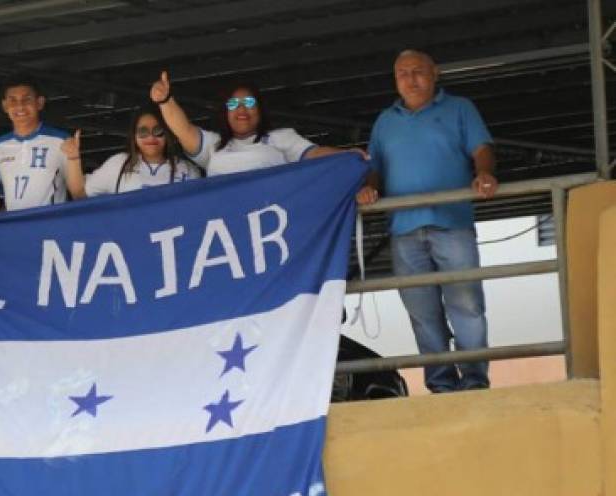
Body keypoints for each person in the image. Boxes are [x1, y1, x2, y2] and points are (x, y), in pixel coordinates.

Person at [356, 49, 498, 393]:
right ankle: (441, 386)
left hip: (452, 223)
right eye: (402, 73)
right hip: (404, 230)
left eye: (418, 71)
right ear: (395, 80)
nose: (411, 79)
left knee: (467, 305)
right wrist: (369, 188)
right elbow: (374, 166)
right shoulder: (385, 121)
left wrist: (484, 173)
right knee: (423, 313)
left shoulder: (459, 108)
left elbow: (482, 148)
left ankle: (475, 382)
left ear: (435, 73)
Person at [149, 72, 364, 176]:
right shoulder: (214, 147)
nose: (241, 109)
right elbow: (184, 130)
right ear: (225, 112)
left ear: (260, 109)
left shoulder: (281, 138)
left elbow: (315, 154)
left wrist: (346, 154)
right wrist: (165, 100)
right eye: (233, 104)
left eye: (249, 102)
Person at [62, 103, 200, 197]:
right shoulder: (118, 165)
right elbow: (80, 194)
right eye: (143, 132)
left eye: (158, 131)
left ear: (168, 133)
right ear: (134, 137)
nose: (151, 137)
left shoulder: (188, 170)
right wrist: (73, 158)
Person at [0, 75, 81, 210]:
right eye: (13, 100)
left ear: (39, 103)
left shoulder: (61, 141)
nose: (20, 106)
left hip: (50, 225)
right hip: (17, 227)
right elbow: (4, 198)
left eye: (26, 99)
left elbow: (78, 193)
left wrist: (74, 157)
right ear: (4, 106)